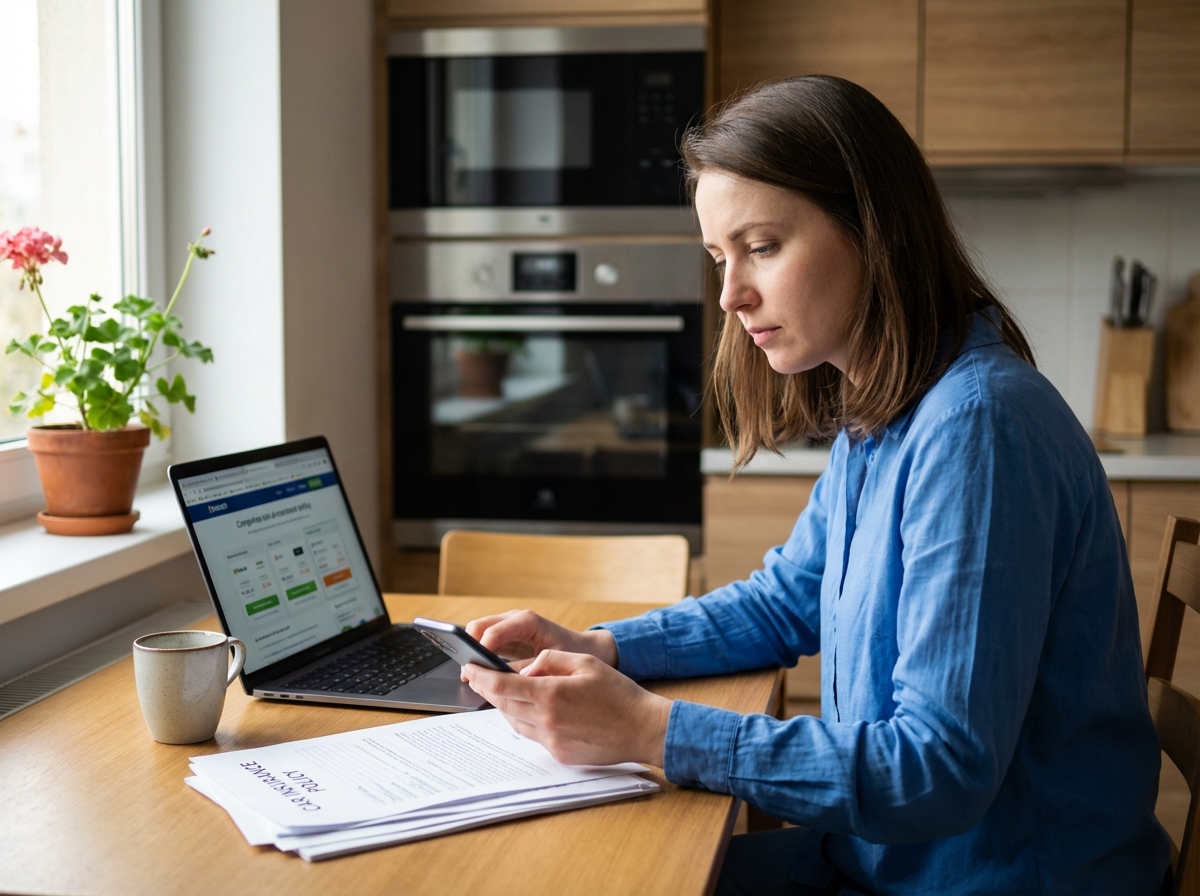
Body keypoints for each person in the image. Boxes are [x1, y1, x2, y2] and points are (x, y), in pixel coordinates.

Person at [459, 76, 1171, 895]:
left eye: (762, 247)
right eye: (720, 258)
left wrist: (653, 730)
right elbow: (784, 602)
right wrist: (606, 648)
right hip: (881, 863)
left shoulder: (977, 427)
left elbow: (938, 769)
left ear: (875, 231)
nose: (730, 295)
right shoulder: (888, 411)